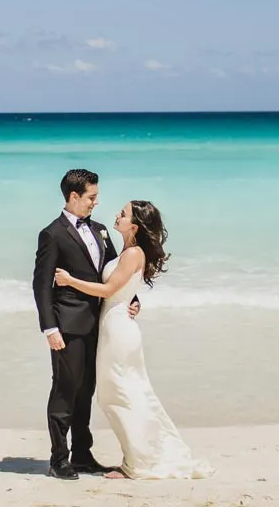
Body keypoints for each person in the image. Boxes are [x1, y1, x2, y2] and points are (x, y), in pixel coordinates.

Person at [54, 199, 213, 480]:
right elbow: (122, 288)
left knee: (122, 393)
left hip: (118, 331)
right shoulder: (127, 252)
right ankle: (138, 456)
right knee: (119, 392)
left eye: (124, 213)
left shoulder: (133, 254)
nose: (118, 215)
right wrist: (133, 299)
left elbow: (108, 290)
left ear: (135, 226)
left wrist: (70, 281)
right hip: (112, 326)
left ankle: (136, 463)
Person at [32, 168, 138, 480]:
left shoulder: (100, 230)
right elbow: (41, 285)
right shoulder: (52, 234)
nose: (95, 202)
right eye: (91, 197)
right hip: (67, 326)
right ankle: (58, 459)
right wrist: (50, 328)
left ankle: (82, 455)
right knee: (65, 390)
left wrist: (132, 299)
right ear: (74, 196)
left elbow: (115, 273)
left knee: (86, 390)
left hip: (100, 324)